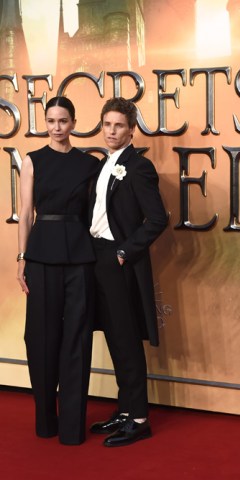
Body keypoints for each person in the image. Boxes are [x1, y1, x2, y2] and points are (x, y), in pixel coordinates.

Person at [16, 96, 100, 445]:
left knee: (77, 340)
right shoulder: (33, 162)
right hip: (41, 256)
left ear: (74, 122)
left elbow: (97, 214)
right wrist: (21, 257)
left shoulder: (89, 164)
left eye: (63, 120)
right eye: (51, 120)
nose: (56, 127)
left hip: (80, 256)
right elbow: (25, 213)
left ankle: (71, 428)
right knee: (40, 337)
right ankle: (45, 421)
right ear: (45, 123)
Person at [89, 97, 168, 447]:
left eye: (118, 125)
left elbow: (157, 220)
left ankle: (139, 419)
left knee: (127, 341)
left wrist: (123, 253)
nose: (111, 131)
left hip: (117, 260)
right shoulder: (103, 163)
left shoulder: (139, 167)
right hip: (96, 257)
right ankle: (125, 410)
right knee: (113, 339)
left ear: (131, 129)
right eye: (107, 124)